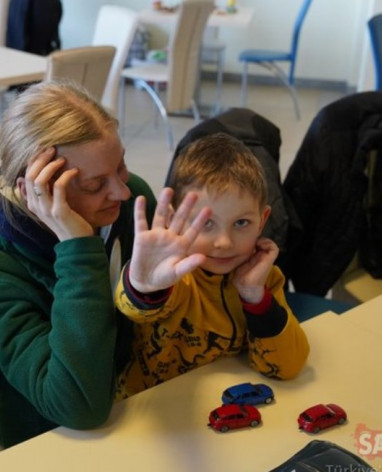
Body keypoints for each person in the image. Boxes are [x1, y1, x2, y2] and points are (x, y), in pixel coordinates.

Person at [0, 81, 158, 449]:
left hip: (140, 402)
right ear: (36, 189)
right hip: (47, 437)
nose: (122, 191)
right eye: (95, 184)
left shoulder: (133, 205)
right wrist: (78, 249)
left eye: (121, 166)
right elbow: (79, 407)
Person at [114, 133, 310, 399]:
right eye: (206, 223)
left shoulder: (262, 277)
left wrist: (255, 297)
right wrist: (143, 286)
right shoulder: (175, 275)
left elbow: (288, 367)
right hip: (152, 410)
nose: (224, 242)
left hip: (226, 405)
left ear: (262, 220)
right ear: (176, 218)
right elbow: (135, 310)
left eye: (241, 223)